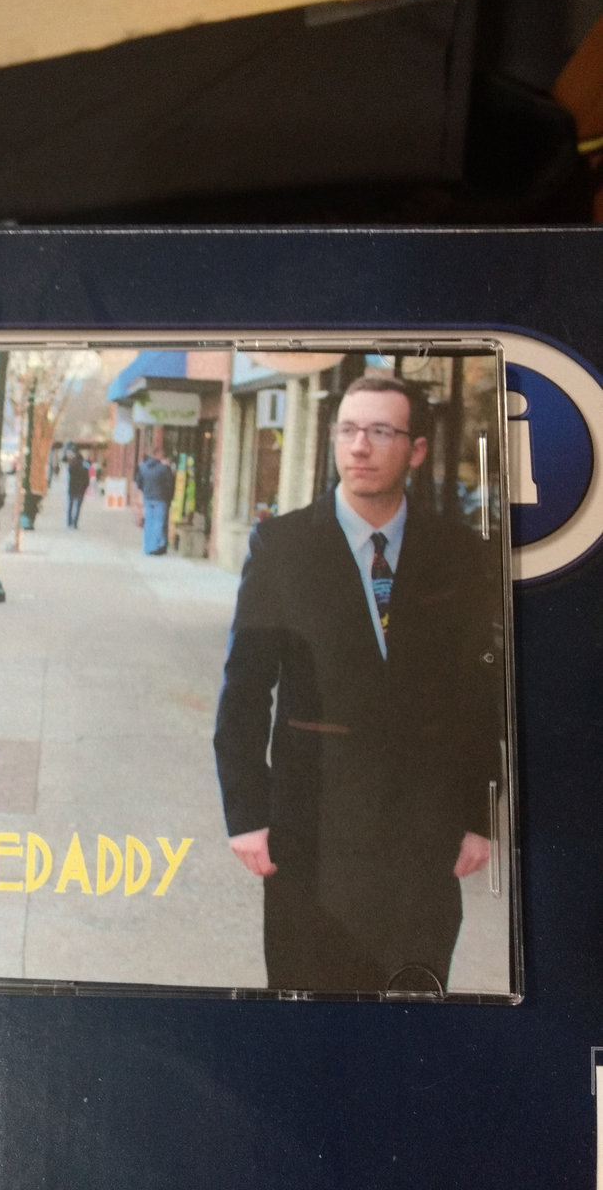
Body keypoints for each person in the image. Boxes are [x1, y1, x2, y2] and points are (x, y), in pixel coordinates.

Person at [213, 375, 500, 994]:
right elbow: (245, 689)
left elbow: (478, 693)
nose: (359, 446)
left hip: (421, 838)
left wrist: (479, 816)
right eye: (347, 429)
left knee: (411, 1014)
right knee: (311, 1014)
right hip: (311, 832)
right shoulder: (283, 544)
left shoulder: (458, 553)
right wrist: (246, 814)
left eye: (379, 431)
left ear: (416, 450)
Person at [134, 449, 176, 555]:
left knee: (149, 522)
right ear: (159, 455)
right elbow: (170, 484)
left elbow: (138, 483)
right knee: (158, 522)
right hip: (160, 498)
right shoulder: (164, 468)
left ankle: (148, 547)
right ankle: (156, 546)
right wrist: (169, 497)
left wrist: (146, 490)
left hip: (148, 497)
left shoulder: (143, 467)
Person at [65, 449, 90, 528]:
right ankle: (75, 523)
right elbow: (87, 481)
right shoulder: (85, 469)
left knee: (70, 506)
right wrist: (85, 488)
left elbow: (69, 471)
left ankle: (69, 522)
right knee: (78, 507)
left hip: (72, 489)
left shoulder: (72, 467)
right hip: (80, 490)